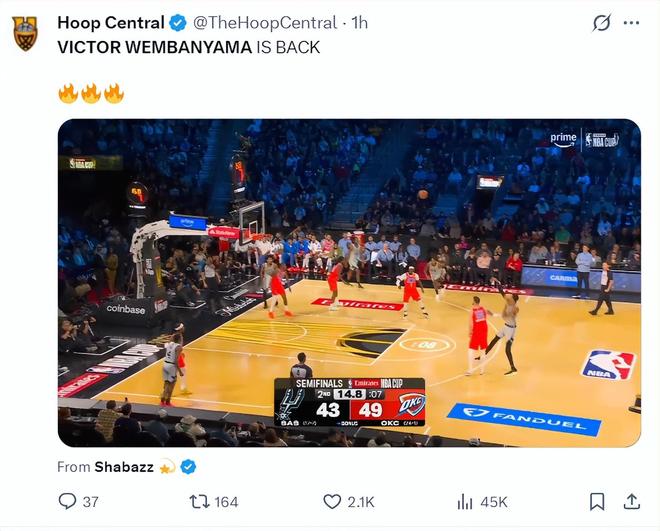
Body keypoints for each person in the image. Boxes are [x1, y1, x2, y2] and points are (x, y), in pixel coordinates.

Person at [483, 278, 520, 375]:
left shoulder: (515, 308)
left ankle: (513, 368)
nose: (508, 296)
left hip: (511, 330)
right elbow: (502, 292)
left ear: (513, 300)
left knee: (507, 349)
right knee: (495, 339)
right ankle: (484, 354)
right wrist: (498, 282)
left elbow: (505, 316)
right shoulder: (509, 302)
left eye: (510, 296)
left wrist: (494, 314)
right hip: (506, 326)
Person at [466, 296, 493, 376]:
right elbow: (489, 312)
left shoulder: (472, 311)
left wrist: (470, 332)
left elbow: (471, 323)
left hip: (477, 331)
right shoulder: (482, 309)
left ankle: (470, 370)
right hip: (484, 330)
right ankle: (482, 370)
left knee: (471, 350)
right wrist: (492, 314)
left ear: (474, 302)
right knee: (483, 351)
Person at [161, 334, 184, 406]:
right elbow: (176, 361)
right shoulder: (179, 347)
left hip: (165, 364)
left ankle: (162, 401)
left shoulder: (169, 343)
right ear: (179, 339)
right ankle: (167, 402)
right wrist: (180, 371)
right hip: (171, 367)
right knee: (171, 385)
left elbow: (171, 339)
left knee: (166, 383)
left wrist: (174, 336)